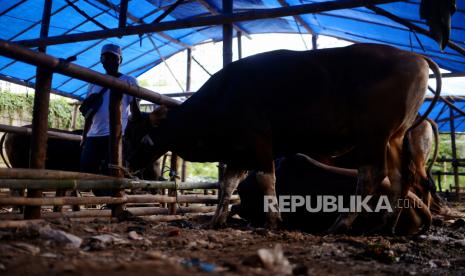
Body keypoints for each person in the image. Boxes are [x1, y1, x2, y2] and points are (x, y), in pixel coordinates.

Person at [80, 44, 140, 196]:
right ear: (101, 60)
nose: (108, 60)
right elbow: (90, 111)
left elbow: (135, 111)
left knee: (112, 170)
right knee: (86, 167)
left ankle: (112, 204)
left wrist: (131, 135)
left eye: (113, 57)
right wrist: (84, 135)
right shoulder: (94, 81)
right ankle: (102, 199)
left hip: (114, 135)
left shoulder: (129, 80)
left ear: (120, 60)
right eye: (105, 57)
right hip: (94, 134)